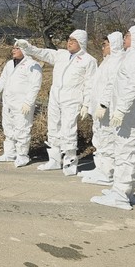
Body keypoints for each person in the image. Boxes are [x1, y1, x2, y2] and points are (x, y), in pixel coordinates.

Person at [91, 24, 135, 210]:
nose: (125, 38)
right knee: (126, 151)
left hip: (132, 113)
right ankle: (123, 191)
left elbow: (134, 85)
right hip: (132, 112)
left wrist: (121, 109)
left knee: (126, 152)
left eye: (128, 35)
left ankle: (121, 195)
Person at [14, 30, 97, 176]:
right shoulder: (61, 55)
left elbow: (90, 83)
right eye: (69, 39)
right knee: (53, 128)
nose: (69, 42)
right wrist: (27, 47)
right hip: (55, 97)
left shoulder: (89, 61)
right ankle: (54, 159)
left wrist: (86, 104)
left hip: (72, 99)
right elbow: (43, 53)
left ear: (81, 42)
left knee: (68, 130)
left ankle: (70, 162)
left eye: (73, 40)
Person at [0, 44, 42, 167]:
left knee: (22, 129)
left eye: (17, 48)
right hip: (8, 103)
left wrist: (28, 102)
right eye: (13, 48)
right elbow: (3, 80)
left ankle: (22, 156)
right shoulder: (9, 64)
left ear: (24, 50)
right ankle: (10, 153)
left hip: (22, 104)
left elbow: (35, 86)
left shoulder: (33, 65)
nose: (13, 50)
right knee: (8, 128)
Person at [79, 32, 125, 186]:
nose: (103, 48)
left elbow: (111, 85)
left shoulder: (118, 61)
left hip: (107, 109)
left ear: (114, 45)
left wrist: (104, 104)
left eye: (105, 45)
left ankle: (107, 172)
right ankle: (100, 168)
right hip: (98, 109)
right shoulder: (107, 61)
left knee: (107, 139)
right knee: (99, 138)